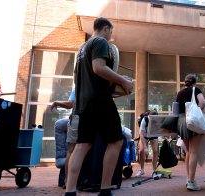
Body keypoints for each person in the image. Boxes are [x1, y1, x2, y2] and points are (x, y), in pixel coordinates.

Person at [65, 17, 133, 196]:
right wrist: (123, 81)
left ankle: (70, 191)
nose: (111, 35)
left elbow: (86, 79)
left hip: (83, 104)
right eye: (111, 31)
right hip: (100, 102)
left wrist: (118, 89)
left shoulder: (82, 48)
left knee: (82, 145)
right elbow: (98, 68)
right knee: (116, 141)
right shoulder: (101, 42)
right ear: (105, 28)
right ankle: (105, 189)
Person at [176, 74, 205, 191]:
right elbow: (202, 103)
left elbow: (176, 109)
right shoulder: (196, 90)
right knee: (194, 152)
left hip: (182, 122)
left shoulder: (180, 93)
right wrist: (198, 111)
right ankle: (191, 182)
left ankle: (188, 178)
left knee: (188, 151)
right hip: (193, 121)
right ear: (195, 82)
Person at [51, 89, 75, 188]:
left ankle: (67, 180)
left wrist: (56, 102)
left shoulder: (79, 86)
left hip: (78, 120)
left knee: (72, 149)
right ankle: (67, 179)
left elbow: (70, 104)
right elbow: (70, 104)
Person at [136, 109, 159, 178]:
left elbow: (161, 129)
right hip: (144, 135)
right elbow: (141, 134)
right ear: (149, 116)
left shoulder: (157, 119)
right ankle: (142, 170)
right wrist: (145, 147)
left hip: (153, 134)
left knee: (155, 151)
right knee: (141, 151)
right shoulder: (145, 119)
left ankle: (154, 170)